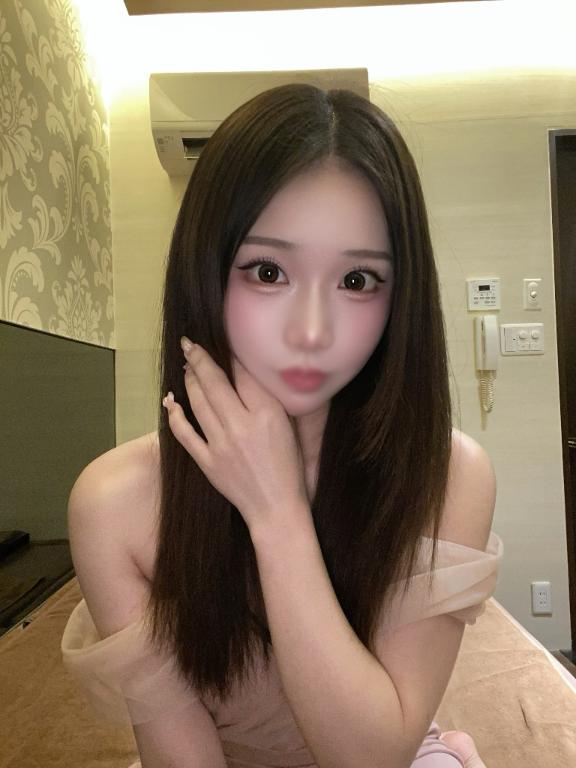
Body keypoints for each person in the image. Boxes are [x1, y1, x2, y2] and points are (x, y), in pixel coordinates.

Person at [62, 83, 503, 768]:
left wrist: (276, 514)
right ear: (205, 273)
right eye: (268, 271)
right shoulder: (116, 501)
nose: (312, 332)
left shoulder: (448, 474)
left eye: (357, 281)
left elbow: (373, 756)